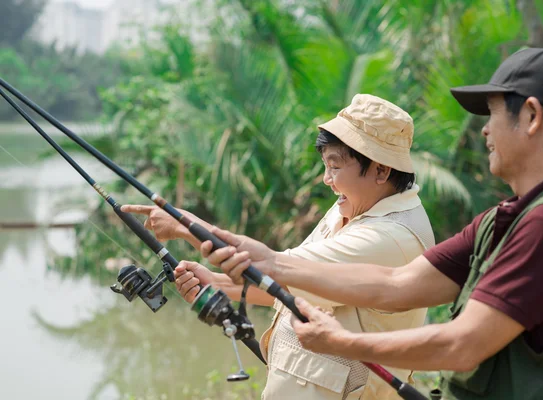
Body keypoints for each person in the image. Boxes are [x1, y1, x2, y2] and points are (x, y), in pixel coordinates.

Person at [201, 48, 543, 400]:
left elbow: (461, 345)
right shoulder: (506, 218)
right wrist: (272, 262)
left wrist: (344, 343)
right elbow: (397, 286)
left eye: (492, 114)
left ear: (531, 116)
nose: (484, 130)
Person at [122, 94, 436, 399]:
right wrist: (217, 283)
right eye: (325, 165)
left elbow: (280, 267)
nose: (327, 179)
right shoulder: (349, 207)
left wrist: (184, 225)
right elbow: (291, 286)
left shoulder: (392, 236)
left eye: (336, 166)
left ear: (381, 170)